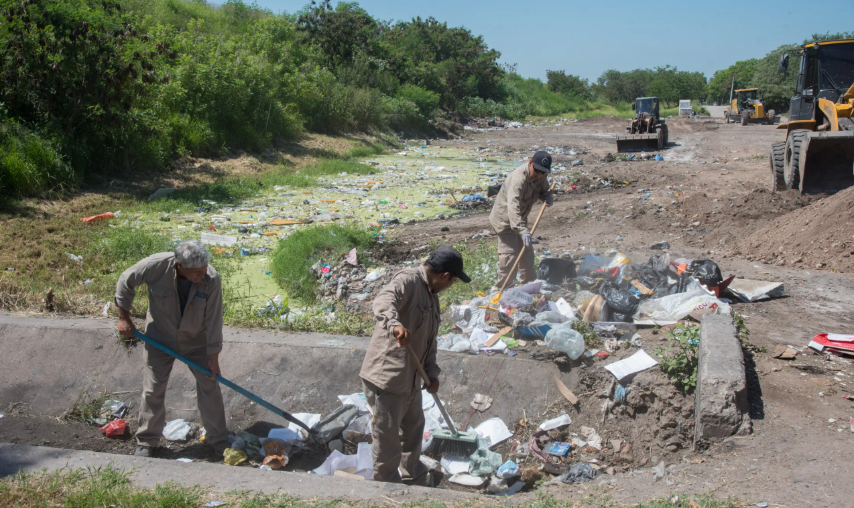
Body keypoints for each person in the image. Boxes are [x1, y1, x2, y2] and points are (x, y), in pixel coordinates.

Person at [359, 247, 470, 483]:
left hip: (412, 378)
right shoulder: (407, 281)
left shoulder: (431, 295)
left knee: (414, 429)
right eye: (453, 281)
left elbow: (430, 341)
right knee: (387, 438)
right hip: (388, 378)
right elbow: (383, 301)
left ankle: (413, 476)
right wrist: (395, 325)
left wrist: (432, 373)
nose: (451, 286)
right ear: (445, 276)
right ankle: (387, 485)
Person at [115, 240, 229, 458]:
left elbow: (214, 320)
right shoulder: (156, 266)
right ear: (180, 267)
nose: (202, 275)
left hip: (195, 340)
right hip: (160, 336)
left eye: (204, 269)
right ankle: (147, 441)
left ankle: (218, 438)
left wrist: (213, 359)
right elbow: (125, 281)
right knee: (153, 389)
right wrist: (124, 318)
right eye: (197, 272)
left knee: (209, 383)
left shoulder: (211, 278)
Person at [489, 150, 554, 289]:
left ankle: (528, 285)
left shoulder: (541, 176)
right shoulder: (518, 180)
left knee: (527, 251)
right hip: (505, 220)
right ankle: (503, 288)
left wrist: (546, 196)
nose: (539, 175)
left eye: (543, 172)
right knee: (510, 255)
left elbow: (543, 191)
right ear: (530, 162)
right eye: (537, 170)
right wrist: (523, 230)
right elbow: (513, 207)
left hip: (520, 219)